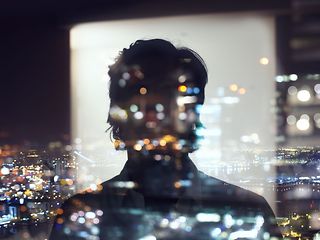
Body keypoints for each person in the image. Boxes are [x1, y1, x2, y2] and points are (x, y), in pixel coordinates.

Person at [49, 39, 281, 239]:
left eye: (169, 106)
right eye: (145, 107)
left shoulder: (82, 217)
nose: (155, 122)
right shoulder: (247, 214)